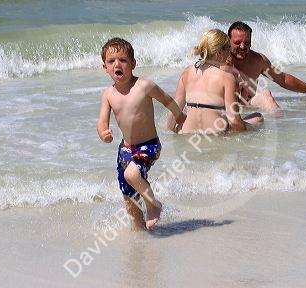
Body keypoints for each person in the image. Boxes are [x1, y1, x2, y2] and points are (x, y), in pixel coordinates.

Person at [97, 37, 186, 230]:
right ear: (105, 67)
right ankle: (140, 231)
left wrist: (180, 117)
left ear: (133, 64)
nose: (117, 65)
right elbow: (102, 120)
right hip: (125, 149)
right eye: (111, 61)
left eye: (123, 60)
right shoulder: (108, 94)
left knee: (132, 173)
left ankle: (153, 204)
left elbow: (166, 99)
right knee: (129, 196)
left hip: (149, 145)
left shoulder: (144, 86)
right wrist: (103, 132)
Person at [167, 29, 263, 134]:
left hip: (187, 133)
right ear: (219, 52)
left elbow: (173, 114)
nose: (229, 54)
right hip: (214, 134)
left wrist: (173, 133)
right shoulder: (227, 78)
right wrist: (247, 136)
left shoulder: (187, 72)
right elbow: (234, 120)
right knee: (257, 117)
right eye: (228, 49)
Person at [227, 21, 306, 111]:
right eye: (237, 42)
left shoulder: (258, 60)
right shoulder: (219, 59)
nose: (242, 46)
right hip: (223, 111)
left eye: (246, 43)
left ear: (251, 43)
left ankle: (282, 128)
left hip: (246, 109)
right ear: (228, 41)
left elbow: (282, 79)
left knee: (267, 96)